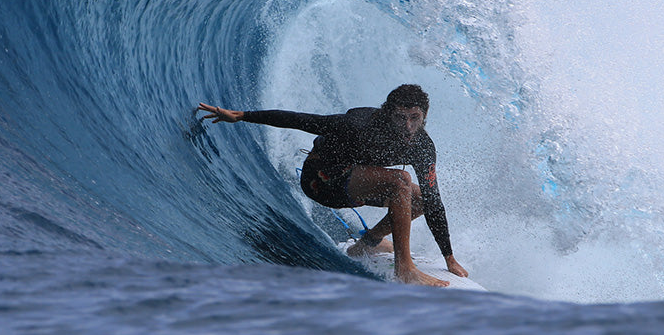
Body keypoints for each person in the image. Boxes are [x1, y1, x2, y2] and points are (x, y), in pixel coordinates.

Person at [198, 84, 468, 287]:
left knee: (421, 197)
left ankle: (368, 244)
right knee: (401, 181)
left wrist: (449, 258)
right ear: (388, 114)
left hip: (355, 184)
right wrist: (243, 115)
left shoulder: (422, 147)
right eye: (400, 117)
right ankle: (404, 268)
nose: (408, 126)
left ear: (424, 117)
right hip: (321, 181)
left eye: (415, 118)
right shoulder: (359, 125)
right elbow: (302, 120)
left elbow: (434, 201)